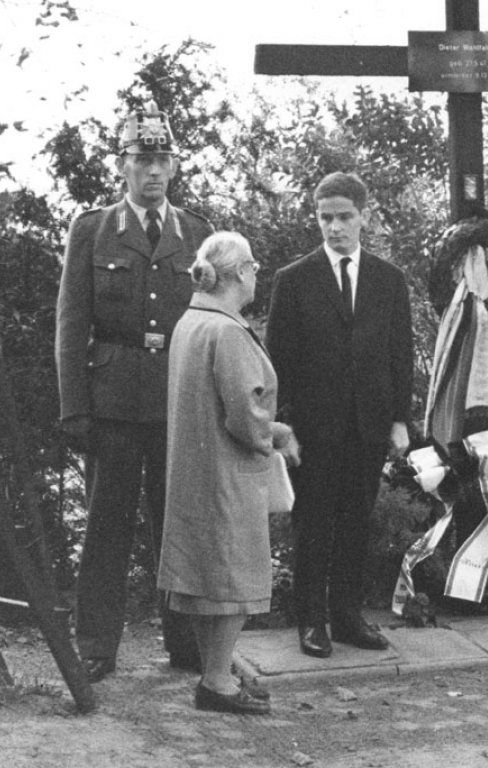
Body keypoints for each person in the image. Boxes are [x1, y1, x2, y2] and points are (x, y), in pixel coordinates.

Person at [55, 100, 212, 682]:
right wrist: (75, 407)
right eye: (141, 159)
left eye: (162, 160)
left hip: (177, 400)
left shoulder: (197, 232)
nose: (152, 171)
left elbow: (214, 322)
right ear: (122, 165)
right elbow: (71, 322)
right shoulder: (93, 230)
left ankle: (185, 644)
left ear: (174, 168)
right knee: (106, 525)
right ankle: (96, 644)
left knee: (178, 524)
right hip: (113, 399)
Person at [265, 172, 414, 658]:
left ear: (363, 217)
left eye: (344, 217)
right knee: (314, 523)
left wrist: (398, 419)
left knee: (356, 521)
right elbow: (277, 361)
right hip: (314, 428)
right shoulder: (293, 280)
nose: (334, 228)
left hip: (368, 425)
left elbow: (400, 353)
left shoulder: (389, 281)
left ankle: (348, 617)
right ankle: (311, 621)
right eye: (325, 218)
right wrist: (282, 428)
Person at [158, 232, 300, 715]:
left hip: (196, 468)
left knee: (207, 577)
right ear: (239, 273)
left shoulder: (190, 322)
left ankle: (214, 674)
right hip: (227, 471)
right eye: (254, 266)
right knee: (233, 576)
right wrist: (275, 435)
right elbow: (244, 413)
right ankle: (217, 681)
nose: (258, 273)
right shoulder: (227, 332)